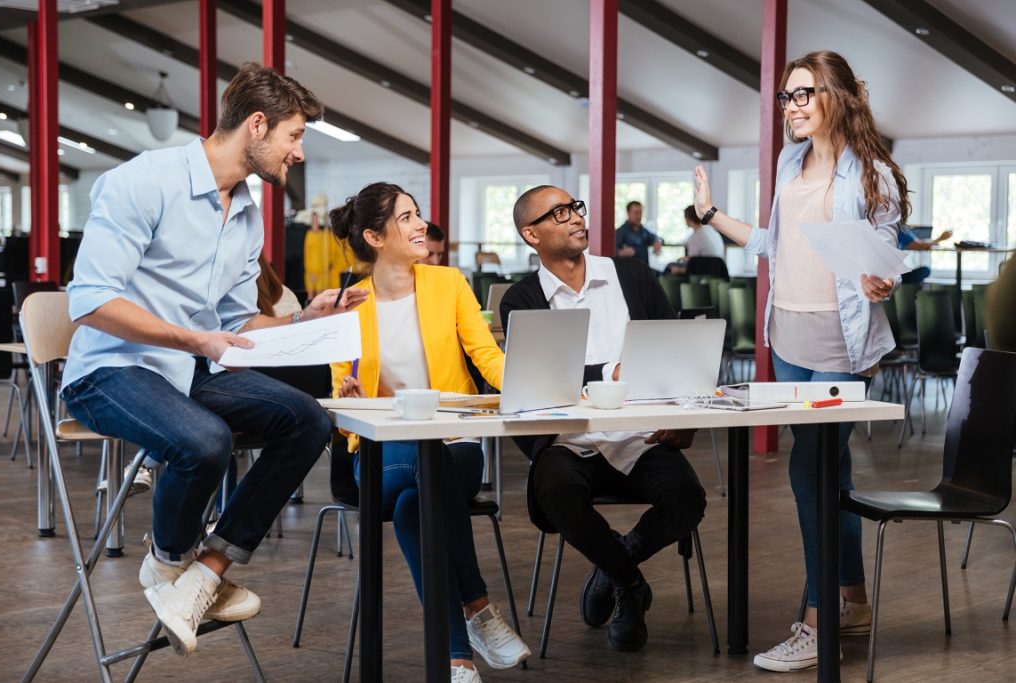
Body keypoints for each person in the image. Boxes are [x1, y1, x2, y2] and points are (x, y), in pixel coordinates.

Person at [60, 63, 368, 657]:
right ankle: (167, 564)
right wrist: (196, 341)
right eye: (294, 135)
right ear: (257, 125)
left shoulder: (247, 213)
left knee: (309, 420)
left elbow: (233, 326)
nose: (298, 152)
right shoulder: (143, 182)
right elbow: (92, 301)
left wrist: (305, 319)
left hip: (189, 373)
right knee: (205, 442)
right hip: (110, 370)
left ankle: (206, 574)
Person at [693, 50, 909, 672]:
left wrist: (881, 282)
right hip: (787, 337)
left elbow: (883, 256)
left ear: (836, 95)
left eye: (802, 94)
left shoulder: (871, 174)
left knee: (808, 471)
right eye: (786, 97)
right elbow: (771, 244)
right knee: (827, 473)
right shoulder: (789, 163)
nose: (791, 106)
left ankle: (818, 623)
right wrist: (711, 215)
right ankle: (853, 600)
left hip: (841, 342)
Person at [330, 182, 530, 682]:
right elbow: (340, 387)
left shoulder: (448, 283)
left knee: (414, 505)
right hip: (380, 453)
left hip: (455, 443)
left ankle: (456, 658)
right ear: (375, 237)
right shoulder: (348, 300)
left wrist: (529, 383)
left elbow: (485, 355)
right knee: (419, 482)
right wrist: (350, 393)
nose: (422, 225)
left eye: (418, 214)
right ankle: (478, 613)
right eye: (407, 218)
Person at [500, 185, 707, 653]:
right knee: (555, 492)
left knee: (687, 498)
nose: (575, 217)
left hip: (639, 432)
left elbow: (672, 353)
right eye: (559, 212)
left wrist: (685, 421)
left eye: (575, 206)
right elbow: (540, 381)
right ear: (531, 234)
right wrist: (609, 373)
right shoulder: (521, 299)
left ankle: (612, 569)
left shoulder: (631, 276)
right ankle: (630, 587)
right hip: (567, 440)